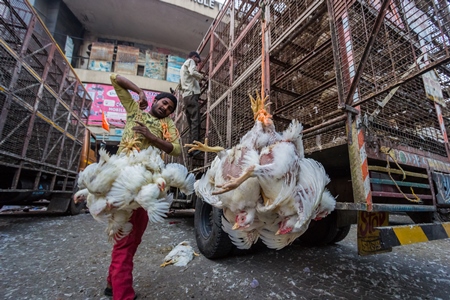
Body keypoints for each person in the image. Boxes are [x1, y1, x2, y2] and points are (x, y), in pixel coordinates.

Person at [105, 73, 181, 300]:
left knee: (133, 238)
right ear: (155, 100)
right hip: (124, 182)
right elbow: (114, 78)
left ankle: (112, 284)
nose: (166, 108)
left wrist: (152, 136)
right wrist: (139, 92)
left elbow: (175, 149)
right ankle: (123, 295)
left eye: (170, 108)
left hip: (147, 187)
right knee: (125, 241)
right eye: (164, 103)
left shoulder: (166, 125)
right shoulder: (134, 109)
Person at [180, 51, 206, 156]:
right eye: (197, 61)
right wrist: (202, 77)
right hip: (191, 95)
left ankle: (190, 149)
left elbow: (184, 82)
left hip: (186, 97)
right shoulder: (190, 61)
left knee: (191, 125)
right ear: (195, 57)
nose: (196, 64)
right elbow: (193, 73)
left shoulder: (182, 68)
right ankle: (195, 148)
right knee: (196, 122)